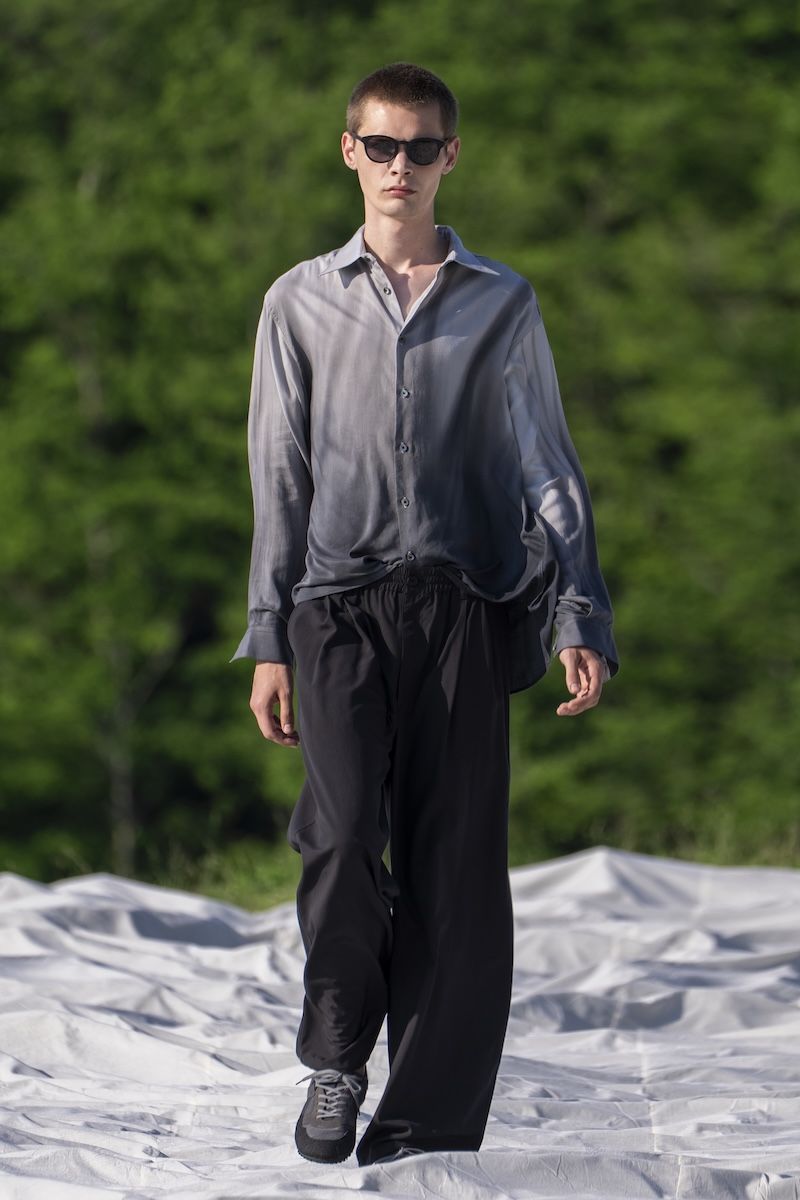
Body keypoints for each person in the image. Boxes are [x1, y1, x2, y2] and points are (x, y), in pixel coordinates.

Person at [230, 62, 619, 1168]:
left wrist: (578, 610)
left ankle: (427, 1124)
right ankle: (338, 1058)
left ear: (450, 157)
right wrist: (268, 633)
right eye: (380, 146)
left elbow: (547, 466)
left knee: (455, 863)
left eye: (420, 147)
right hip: (334, 606)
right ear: (349, 152)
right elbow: (279, 472)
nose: (399, 166)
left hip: (464, 605)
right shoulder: (297, 300)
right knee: (341, 836)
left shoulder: (501, 301)